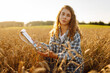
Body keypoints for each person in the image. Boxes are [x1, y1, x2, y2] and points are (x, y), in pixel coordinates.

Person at [37, 5, 84, 73]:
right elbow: (51, 47)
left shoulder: (75, 34)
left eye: (68, 15)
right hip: (58, 67)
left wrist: (55, 56)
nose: (64, 17)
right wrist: (40, 45)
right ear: (59, 16)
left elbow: (72, 54)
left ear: (71, 19)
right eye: (63, 14)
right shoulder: (54, 32)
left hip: (73, 68)